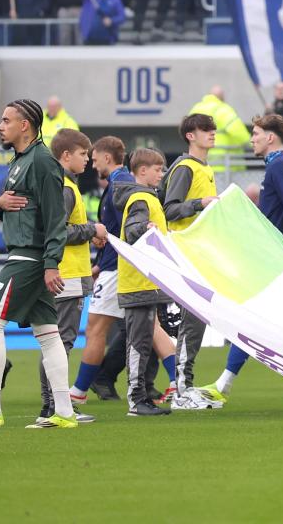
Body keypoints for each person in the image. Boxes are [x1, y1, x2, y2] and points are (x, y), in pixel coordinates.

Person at [0, 100, 78, 430]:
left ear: (25, 125)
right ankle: (64, 412)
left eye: (6, 120)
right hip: (28, 254)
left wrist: (52, 263)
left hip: (28, 257)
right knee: (49, 334)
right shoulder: (20, 160)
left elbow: (55, 218)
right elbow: (12, 208)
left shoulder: (42, 162)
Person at [198, 113, 283, 404]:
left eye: (256, 133)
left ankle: (223, 385)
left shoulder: (279, 166)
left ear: (270, 137)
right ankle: (224, 383)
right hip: (277, 256)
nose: (252, 139)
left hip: (282, 259)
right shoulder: (276, 166)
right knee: (262, 320)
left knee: (252, 319)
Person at [41, 128, 107, 423]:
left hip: (67, 274)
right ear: (66, 156)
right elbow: (57, 232)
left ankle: (53, 403)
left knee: (56, 341)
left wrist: (88, 229)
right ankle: (53, 405)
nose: (87, 161)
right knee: (60, 342)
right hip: (65, 275)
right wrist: (92, 229)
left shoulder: (65, 185)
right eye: (83, 155)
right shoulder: (65, 187)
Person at [163, 113, 220, 409]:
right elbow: (168, 209)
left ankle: (184, 385)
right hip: (185, 253)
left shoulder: (203, 168)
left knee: (194, 322)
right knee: (191, 322)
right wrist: (200, 204)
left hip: (200, 253)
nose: (212, 133)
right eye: (205, 129)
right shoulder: (185, 168)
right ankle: (181, 390)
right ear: (190, 136)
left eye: (212, 129)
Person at [71, 135, 131, 404]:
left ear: (107, 157)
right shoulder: (122, 183)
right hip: (117, 266)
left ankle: (79, 391)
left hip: (116, 269)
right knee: (151, 329)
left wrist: (104, 263)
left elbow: (122, 233)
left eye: (94, 159)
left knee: (95, 329)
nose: (92, 165)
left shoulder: (120, 184)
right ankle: (179, 385)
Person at [116, 148, 174, 416]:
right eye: (158, 169)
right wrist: (144, 229)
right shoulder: (141, 198)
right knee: (138, 343)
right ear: (142, 171)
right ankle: (136, 400)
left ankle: (142, 396)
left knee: (142, 342)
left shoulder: (147, 197)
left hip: (145, 282)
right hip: (139, 283)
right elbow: (132, 231)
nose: (161, 174)